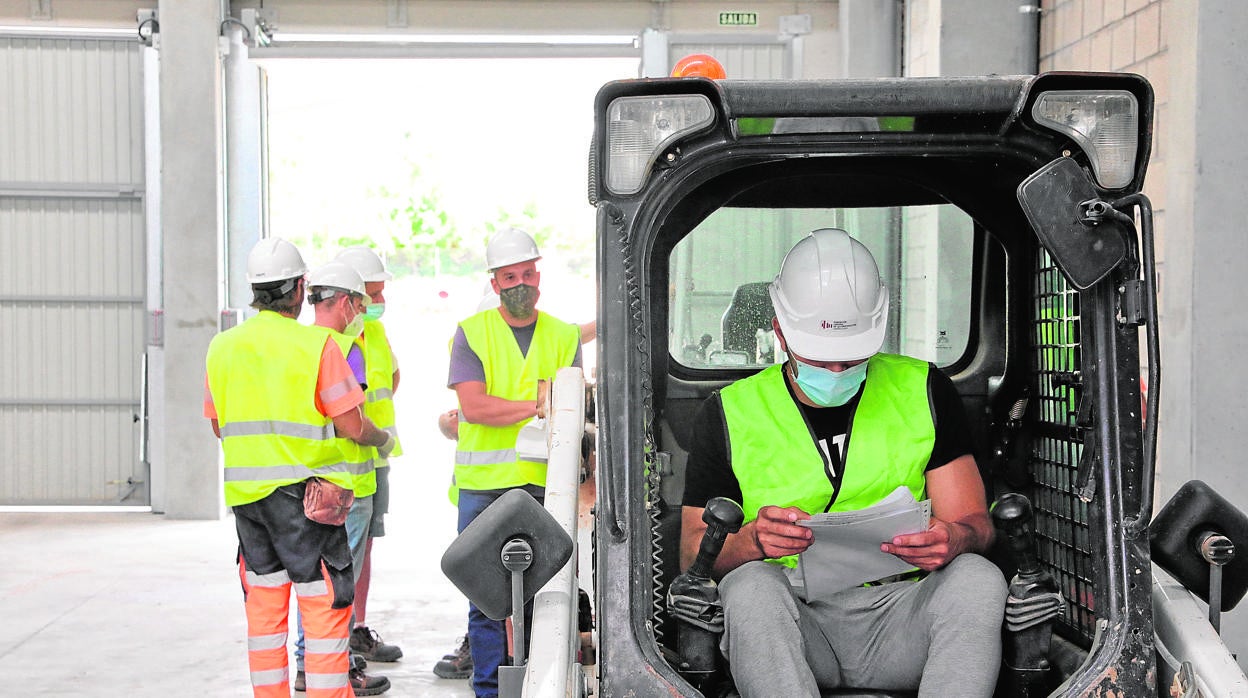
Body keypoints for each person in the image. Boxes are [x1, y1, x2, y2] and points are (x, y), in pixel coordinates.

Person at [680, 228, 1006, 698]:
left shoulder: (923, 389)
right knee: (749, 586)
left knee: (978, 577)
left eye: (851, 359)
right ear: (780, 331)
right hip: (795, 620)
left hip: (902, 610)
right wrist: (752, 540)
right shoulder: (730, 413)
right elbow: (693, 555)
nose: (836, 372)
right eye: (820, 359)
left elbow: (975, 524)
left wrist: (955, 538)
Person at [204, 238, 396, 698]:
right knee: (323, 606)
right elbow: (350, 423)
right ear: (299, 288)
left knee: (266, 615)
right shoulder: (318, 346)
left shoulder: (222, 347)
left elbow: (218, 426)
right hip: (309, 502)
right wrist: (380, 438)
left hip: (249, 506)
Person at [447, 227, 583, 697]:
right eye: (510, 277)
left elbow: (576, 406)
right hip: (483, 488)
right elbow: (475, 407)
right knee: (484, 598)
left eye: (528, 273)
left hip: (543, 487)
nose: (521, 284)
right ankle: (488, 689)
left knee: (544, 597)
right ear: (495, 282)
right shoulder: (471, 334)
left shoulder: (563, 336)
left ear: (538, 275)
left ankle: (537, 683)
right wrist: (537, 404)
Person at [290, 261, 391, 696]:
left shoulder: (299, 345)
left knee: (313, 580)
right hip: (346, 486)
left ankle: (305, 663)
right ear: (348, 303)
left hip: (305, 481)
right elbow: (354, 422)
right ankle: (333, 666)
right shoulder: (346, 350)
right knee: (336, 583)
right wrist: (381, 438)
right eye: (361, 303)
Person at [334, 246, 404, 664]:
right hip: (342, 465)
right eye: (373, 295)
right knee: (340, 554)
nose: (380, 303)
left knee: (365, 550)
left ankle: (356, 628)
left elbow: (392, 377)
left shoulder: (375, 334)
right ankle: (332, 644)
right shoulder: (330, 340)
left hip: (374, 460)